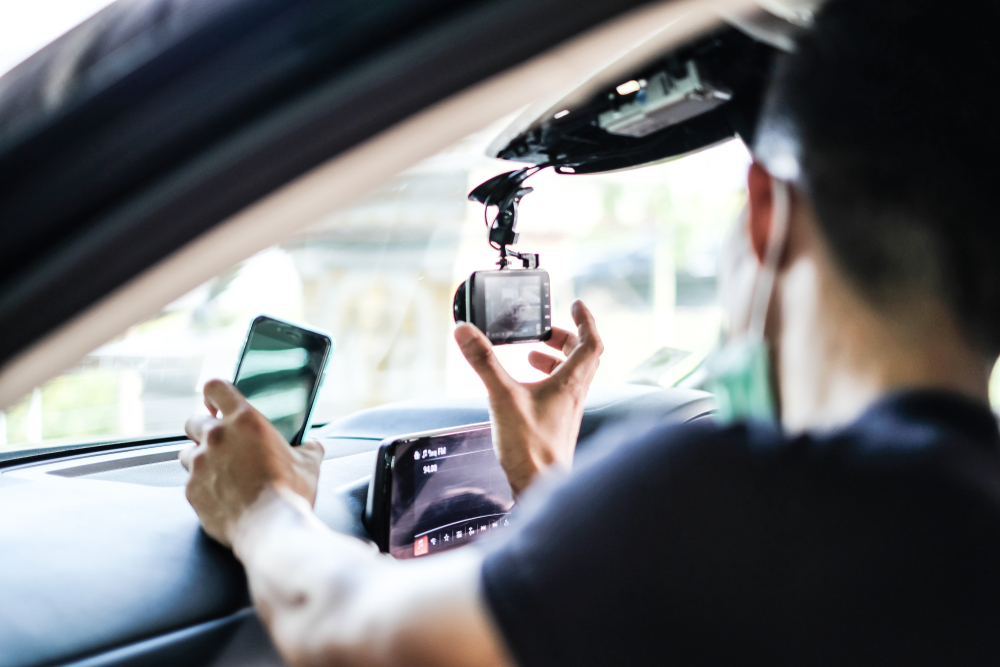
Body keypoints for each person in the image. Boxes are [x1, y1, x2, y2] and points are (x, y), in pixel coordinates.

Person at [179, 1, 1000, 665]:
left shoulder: (744, 502)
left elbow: (360, 634)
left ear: (768, 214)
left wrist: (260, 504)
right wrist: (545, 476)